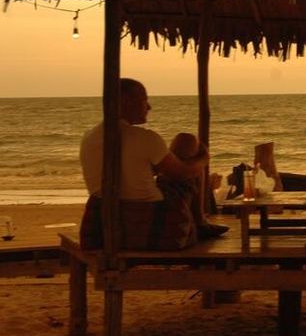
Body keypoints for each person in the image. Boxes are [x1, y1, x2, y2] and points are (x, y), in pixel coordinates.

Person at [78, 78, 225, 249]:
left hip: (104, 221)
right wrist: (203, 159)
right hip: (153, 220)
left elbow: (131, 169)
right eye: (144, 100)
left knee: (171, 162)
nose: (149, 107)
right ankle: (200, 223)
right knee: (187, 141)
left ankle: (200, 222)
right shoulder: (144, 137)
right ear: (126, 101)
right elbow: (182, 173)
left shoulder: (89, 137)